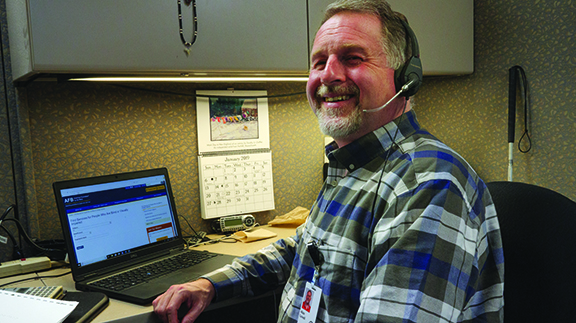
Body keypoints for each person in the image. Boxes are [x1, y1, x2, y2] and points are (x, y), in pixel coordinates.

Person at [153, 0, 505, 322]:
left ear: (404, 78)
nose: (328, 75)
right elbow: (304, 248)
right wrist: (210, 284)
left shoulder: (427, 185)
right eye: (319, 62)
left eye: (352, 58)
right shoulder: (355, 165)